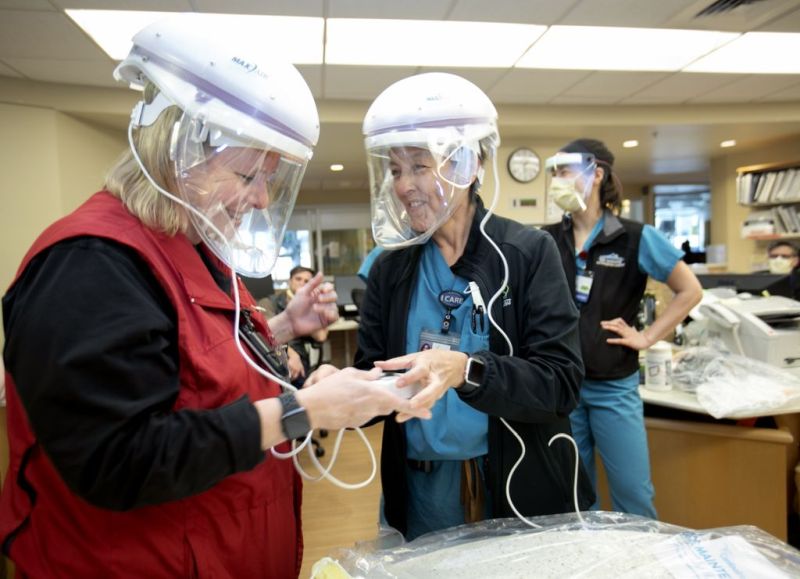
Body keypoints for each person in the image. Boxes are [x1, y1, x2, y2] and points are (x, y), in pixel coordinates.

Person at [0, 15, 423, 577]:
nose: (261, 198)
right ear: (178, 150)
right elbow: (118, 457)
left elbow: (185, 363)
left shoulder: (194, 246)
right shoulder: (90, 265)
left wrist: (280, 333)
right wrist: (303, 410)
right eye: (249, 176)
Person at [348, 72, 594, 540]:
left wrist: (467, 370)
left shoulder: (525, 254)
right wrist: (337, 386)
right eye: (395, 170)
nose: (403, 186)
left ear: (469, 164)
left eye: (420, 166)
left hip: (510, 480)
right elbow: (376, 381)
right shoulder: (390, 269)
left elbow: (562, 382)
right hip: (423, 488)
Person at [542, 138, 703, 519]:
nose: (557, 180)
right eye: (555, 173)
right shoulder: (546, 240)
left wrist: (646, 337)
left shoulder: (635, 237)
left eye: (564, 171)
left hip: (614, 385)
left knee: (633, 492)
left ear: (595, 174)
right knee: (575, 495)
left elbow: (690, 290)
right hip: (564, 386)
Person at [272, 265, 330, 384]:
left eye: (306, 281)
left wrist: (307, 309)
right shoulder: (270, 302)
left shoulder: (311, 304)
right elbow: (265, 332)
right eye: (298, 279)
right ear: (290, 281)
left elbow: (321, 336)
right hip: (276, 352)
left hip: (300, 357)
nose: (302, 283)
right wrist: (292, 355)